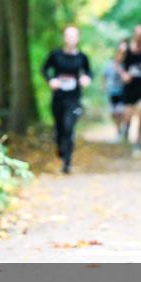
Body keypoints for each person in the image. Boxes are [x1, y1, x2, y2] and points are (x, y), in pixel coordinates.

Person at [42, 26, 92, 174]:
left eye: (74, 36)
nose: (71, 39)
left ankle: (67, 163)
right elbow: (45, 69)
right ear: (64, 38)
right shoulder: (56, 55)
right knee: (60, 128)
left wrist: (86, 78)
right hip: (58, 98)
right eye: (68, 36)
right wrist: (51, 80)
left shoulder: (82, 57)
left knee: (69, 127)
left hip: (74, 99)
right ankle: (60, 147)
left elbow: (89, 72)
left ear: (78, 38)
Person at [118, 24, 141, 156]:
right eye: (138, 33)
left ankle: (138, 142)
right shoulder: (126, 49)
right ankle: (125, 127)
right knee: (128, 114)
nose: (139, 35)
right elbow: (117, 63)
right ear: (134, 33)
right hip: (129, 87)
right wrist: (123, 74)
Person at [104, 40, 128, 141]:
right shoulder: (110, 63)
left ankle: (125, 130)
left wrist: (120, 70)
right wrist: (104, 85)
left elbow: (126, 78)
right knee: (113, 113)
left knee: (122, 112)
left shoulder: (126, 64)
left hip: (124, 91)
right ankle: (119, 131)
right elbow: (104, 76)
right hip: (112, 91)